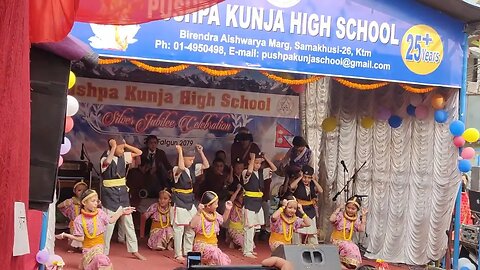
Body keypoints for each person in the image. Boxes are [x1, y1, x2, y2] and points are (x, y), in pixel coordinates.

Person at [55, 189, 135, 270]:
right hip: (87, 250)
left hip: (99, 248)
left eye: (97, 201)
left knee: (101, 260)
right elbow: (81, 238)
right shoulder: (79, 220)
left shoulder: (100, 213)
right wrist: (65, 235)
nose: (96, 204)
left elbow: (111, 220)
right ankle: (86, 262)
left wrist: (122, 211)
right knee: (100, 262)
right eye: (93, 201)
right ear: (84, 202)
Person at [100, 138, 146, 260]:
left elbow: (139, 152)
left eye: (123, 149)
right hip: (110, 195)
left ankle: (134, 250)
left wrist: (125, 145)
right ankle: (104, 252)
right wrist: (114, 147)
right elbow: (108, 162)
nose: (122, 151)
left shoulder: (123, 156)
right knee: (109, 225)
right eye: (121, 148)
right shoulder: (104, 158)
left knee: (129, 223)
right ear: (112, 147)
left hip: (123, 194)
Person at [172, 144, 209, 262]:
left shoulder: (192, 168)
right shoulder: (176, 169)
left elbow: (206, 165)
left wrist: (200, 152)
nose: (192, 162)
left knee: (191, 227)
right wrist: (180, 152)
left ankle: (187, 251)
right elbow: (181, 168)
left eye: (193, 159)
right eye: (190, 159)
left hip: (190, 200)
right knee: (179, 229)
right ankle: (178, 253)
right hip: (179, 200)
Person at [242, 151, 277, 258]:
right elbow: (249, 171)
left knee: (254, 227)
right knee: (248, 227)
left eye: (259, 163)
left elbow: (274, 168)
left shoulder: (262, 172)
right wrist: (252, 159)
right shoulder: (245, 172)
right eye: (255, 163)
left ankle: (250, 248)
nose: (257, 165)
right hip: (249, 202)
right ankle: (246, 251)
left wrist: (264, 157)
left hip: (258, 202)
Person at [190, 191, 232, 265]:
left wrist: (228, 209)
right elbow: (192, 225)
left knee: (218, 259)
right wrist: (198, 212)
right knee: (217, 254)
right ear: (209, 206)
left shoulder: (215, 215)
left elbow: (223, 220)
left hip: (213, 245)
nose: (217, 206)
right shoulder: (200, 214)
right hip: (201, 245)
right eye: (215, 204)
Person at [330, 196, 368, 269]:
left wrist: (364, 216)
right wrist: (338, 209)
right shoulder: (341, 215)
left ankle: (350, 266)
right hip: (336, 240)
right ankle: (341, 266)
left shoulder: (355, 219)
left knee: (355, 248)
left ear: (357, 210)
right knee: (348, 247)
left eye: (353, 209)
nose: (350, 210)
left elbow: (361, 229)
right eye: (348, 208)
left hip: (347, 241)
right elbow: (331, 219)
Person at [290, 165, 323, 244]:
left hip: (310, 210)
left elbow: (321, 190)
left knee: (312, 231)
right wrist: (300, 178)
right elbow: (291, 186)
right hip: (299, 209)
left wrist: (314, 180)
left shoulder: (312, 184)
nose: (306, 179)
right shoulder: (298, 183)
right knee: (298, 231)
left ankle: (314, 248)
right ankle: (296, 248)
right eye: (305, 177)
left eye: (309, 177)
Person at [57, 181, 88, 252]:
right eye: (79, 190)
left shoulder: (88, 201)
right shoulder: (71, 201)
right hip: (74, 223)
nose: (82, 192)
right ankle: (73, 248)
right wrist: (65, 203)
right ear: (75, 191)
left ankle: (83, 248)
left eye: (84, 190)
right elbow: (59, 206)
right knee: (73, 236)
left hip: (85, 223)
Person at [227, 184, 246, 249]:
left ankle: (234, 242)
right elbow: (231, 200)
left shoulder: (244, 206)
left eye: (243, 198)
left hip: (242, 229)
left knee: (251, 244)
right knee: (243, 243)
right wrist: (238, 190)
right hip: (234, 229)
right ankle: (233, 241)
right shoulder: (233, 204)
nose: (242, 199)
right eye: (241, 197)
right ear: (237, 197)